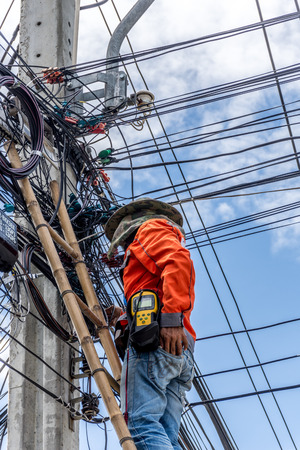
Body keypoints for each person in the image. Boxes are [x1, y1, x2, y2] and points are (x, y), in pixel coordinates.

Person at [104, 198, 196, 449]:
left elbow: (179, 262)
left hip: (158, 341)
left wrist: (170, 319)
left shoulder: (149, 230)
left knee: (139, 424)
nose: (123, 247)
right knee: (167, 434)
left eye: (123, 242)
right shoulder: (151, 249)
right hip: (178, 349)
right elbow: (151, 295)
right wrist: (124, 319)